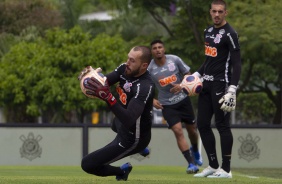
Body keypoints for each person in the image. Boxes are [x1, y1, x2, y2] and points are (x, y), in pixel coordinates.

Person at [79, 46, 155, 181]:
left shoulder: (144, 86)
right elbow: (103, 84)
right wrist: (89, 79)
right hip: (122, 125)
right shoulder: (124, 69)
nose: (127, 62)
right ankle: (131, 159)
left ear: (144, 66)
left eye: (132, 60)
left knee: (87, 164)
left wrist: (108, 97)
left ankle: (122, 170)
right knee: (115, 124)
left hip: (134, 137)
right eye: (128, 58)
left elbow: (129, 119)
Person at [193, 0, 241, 179]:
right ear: (210, 12)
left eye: (220, 11)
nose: (217, 14)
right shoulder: (208, 31)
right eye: (214, 11)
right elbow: (208, 61)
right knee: (203, 124)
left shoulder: (231, 34)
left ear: (226, 13)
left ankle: (226, 169)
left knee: (222, 125)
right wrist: (196, 75)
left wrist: (233, 89)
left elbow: (237, 63)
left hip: (222, 84)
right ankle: (213, 165)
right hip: (206, 84)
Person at [148, 39, 202, 174]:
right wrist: (152, 100)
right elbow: (145, 86)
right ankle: (191, 164)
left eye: (160, 47)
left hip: (183, 100)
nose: (158, 50)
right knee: (178, 131)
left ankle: (195, 149)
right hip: (167, 104)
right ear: (152, 52)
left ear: (164, 49)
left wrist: (182, 85)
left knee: (192, 131)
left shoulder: (175, 60)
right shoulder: (149, 69)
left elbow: (188, 75)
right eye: (154, 48)